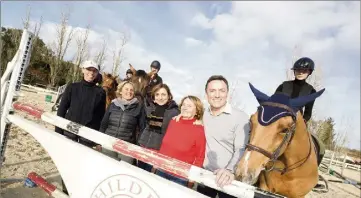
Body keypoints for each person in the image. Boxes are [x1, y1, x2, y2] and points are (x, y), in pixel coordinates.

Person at [175, 75, 250, 198]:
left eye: (221, 90)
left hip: (228, 179)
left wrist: (230, 170)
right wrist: (181, 117)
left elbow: (241, 148)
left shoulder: (240, 117)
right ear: (206, 95)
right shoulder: (203, 115)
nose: (217, 95)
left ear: (227, 93)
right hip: (205, 176)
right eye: (212, 91)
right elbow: (189, 119)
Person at [55, 60, 106, 194]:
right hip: (69, 131)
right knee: (67, 162)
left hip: (87, 135)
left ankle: (76, 191)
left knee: (82, 164)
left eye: (94, 71)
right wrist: (58, 130)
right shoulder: (73, 87)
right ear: (83, 70)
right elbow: (62, 109)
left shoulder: (100, 92)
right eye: (89, 70)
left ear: (97, 74)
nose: (91, 73)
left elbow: (101, 117)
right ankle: (65, 191)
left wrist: (97, 138)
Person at [156, 95, 206, 187]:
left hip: (180, 177)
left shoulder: (199, 130)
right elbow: (164, 145)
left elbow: (200, 157)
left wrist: (191, 179)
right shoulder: (174, 121)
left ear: (197, 111)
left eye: (189, 106)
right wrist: (156, 165)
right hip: (161, 169)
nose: (185, 108)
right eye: (184, 105)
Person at [99, 81, 146, 164]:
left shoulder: (139, 108)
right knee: (106, 167)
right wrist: (99, 140)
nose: (129, 92)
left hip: (127, 147)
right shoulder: (113, 105)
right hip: (109, 143)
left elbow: (143, 128)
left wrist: (137, 146)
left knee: (123, 172)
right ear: (120, 91)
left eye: (131, 90)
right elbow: (104, 124)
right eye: (126, 89)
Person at [137, 83, 179, 172]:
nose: (160, 97)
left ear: (169, 96)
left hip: (157, 151)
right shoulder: (149, 108)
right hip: (143, 146)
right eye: (157, 94)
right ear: (154, 97)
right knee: (138, 172)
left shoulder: (174, 112)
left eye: (163, 94)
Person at [275, 57, 317, 122]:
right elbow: (273, 103)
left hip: (297, 120)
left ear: (310, 72)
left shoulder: (311, 91)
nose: (301, 73)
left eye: (304, 71)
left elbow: (307, 113)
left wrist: (302, 122)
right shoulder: (283, 85)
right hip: (279, 118)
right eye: (298, 70)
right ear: (294, 70)